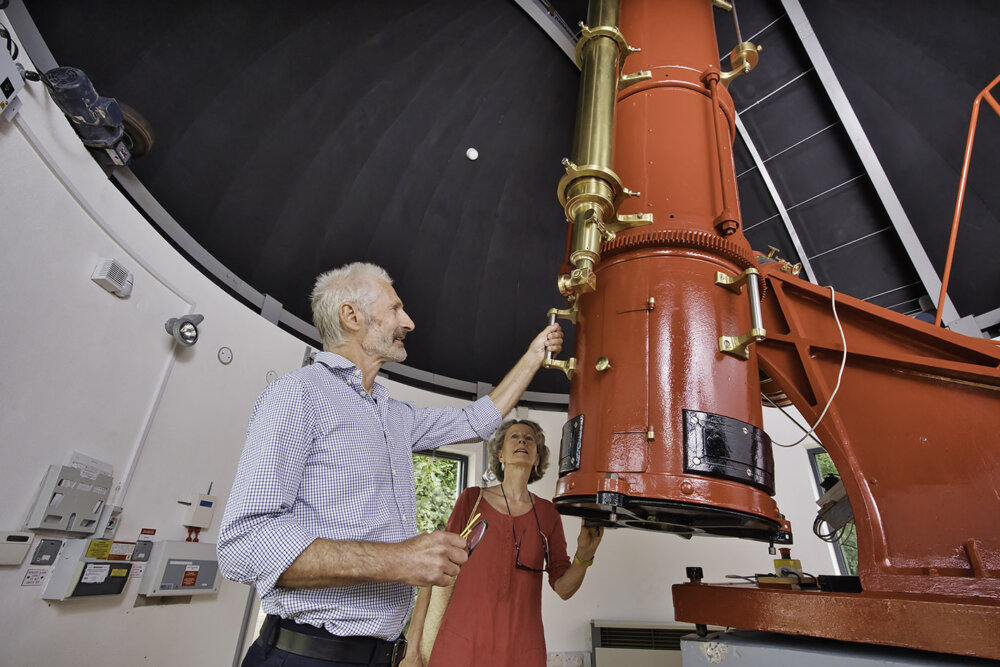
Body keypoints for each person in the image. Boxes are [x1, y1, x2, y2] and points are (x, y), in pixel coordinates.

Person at [218, 262, 562, 667]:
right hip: (307, 656)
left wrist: (533, 357)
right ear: (352, 316)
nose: (409, 322)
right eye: (396, 309)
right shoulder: (297, 395)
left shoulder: (394, 415)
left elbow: (475, 420)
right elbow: (242, 545)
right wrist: (398, 560)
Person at [404, 419, 603, 667]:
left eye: (529, 439)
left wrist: (584, 555)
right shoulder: (472, 500)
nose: (522, 441)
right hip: (461, 645)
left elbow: (563, 588)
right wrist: (412, 644)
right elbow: (435, 570)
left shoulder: (548, 514)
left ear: (537, 459)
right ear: (500, 454)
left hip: (521, 651)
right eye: (514, 437)